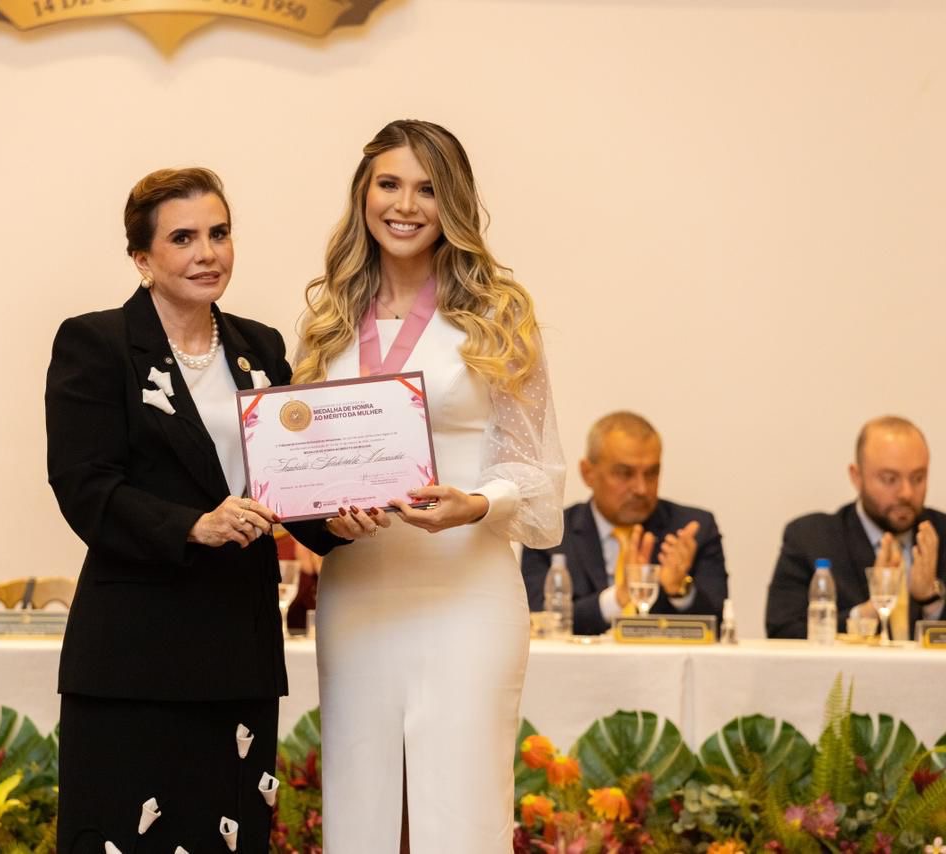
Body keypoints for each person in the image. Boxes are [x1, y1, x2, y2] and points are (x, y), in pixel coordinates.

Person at [291, 119, 566, 853]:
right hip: (357, 597)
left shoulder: (497, 311)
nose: (404, 205)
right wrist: (323, 510)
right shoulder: (328, 316)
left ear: (454, 204)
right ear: (364, 193)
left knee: (461, 815)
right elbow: (303, 456)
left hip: (466, 596)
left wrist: (478, 503)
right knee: (361, 812)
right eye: (389, 184)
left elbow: (537, 471)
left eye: (427, 188)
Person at [46, 167, 302, 854]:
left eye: (218, 233)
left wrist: (342, 511)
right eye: (183, 237)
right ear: (142, 258)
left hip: (237, 654)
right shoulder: (95, 345)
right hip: (136, 657)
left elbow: (288, 479)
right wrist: (193, 523)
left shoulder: (262, 347)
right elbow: (84, 486)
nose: (207, 252)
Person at [521, 411, 728, 635]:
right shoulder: (549, 533)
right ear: (588, 473)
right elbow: (537, 624)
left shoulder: (691, 530)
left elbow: (719, 624)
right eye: (624, 473)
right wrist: (617, 598)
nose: (641, 488)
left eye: (651, 473)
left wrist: (680, 591)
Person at [766, 416, 945, 639]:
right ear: (856, 477)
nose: (906, 493)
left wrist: (931, 601)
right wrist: (870, 612)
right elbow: (782, 630)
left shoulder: (941, 533)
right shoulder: (811, 538)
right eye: (890, 479)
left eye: (918, 478)